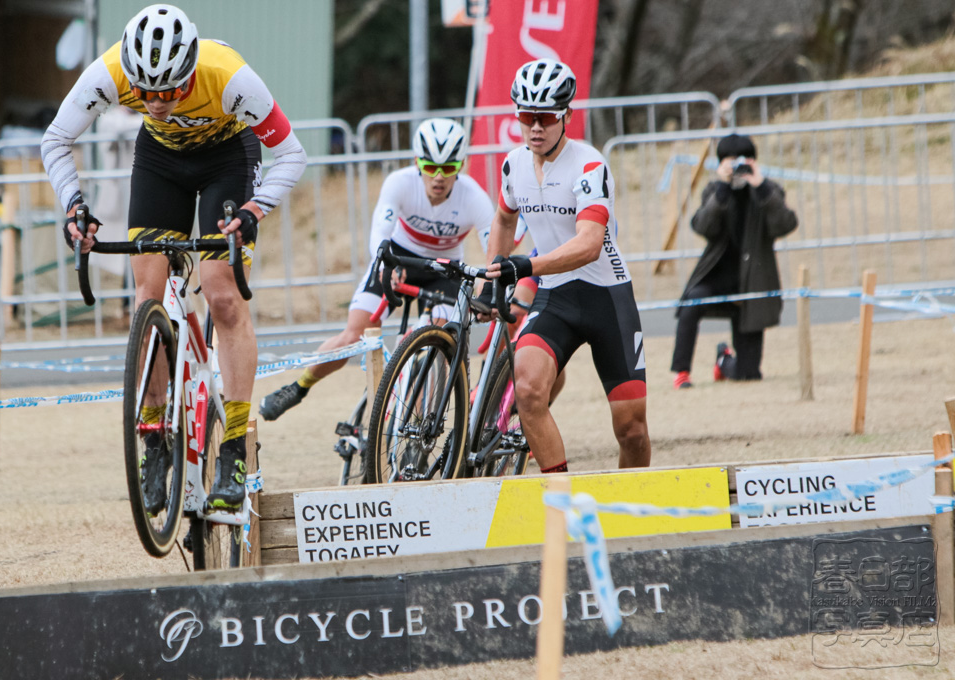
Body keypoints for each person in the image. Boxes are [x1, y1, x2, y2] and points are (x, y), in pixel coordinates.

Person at [41, 4, 307, 511]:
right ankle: (154, 437)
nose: (158, 102)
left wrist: (253, 210)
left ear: (189, 72)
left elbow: (292, 155)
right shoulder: (111, 72)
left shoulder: (229, 78)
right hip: (161, 162)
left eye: (170, 91)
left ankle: (232, 443)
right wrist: (75, 204)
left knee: (222, 291)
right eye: (146, 93)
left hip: (227, 157)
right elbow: (56, 140)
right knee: (148, 294)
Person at [258, 117, 495, 422]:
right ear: (416, 162)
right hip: (398, 257)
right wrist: (385, 265)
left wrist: (488, 288)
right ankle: (299, 386)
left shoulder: (473, 197)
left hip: (442, 269)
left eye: (448, 168)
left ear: (460, 166)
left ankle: (417, 428)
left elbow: (493, 249)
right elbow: (380, 233)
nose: (438, 177)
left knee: (439, 344)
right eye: (430, 166)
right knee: (354, 334)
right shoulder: (400, 182)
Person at [484, 59, 649, 473]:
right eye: (526, 116)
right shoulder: (514, 165)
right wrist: (493, 273)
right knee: (528, 390)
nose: (535, 127)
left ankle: (632, 513)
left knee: (631, 429)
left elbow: (589, 244)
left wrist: (525, 266)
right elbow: (504, 219)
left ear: (566, 116)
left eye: (545, 118)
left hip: (607, 297)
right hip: (555, 297)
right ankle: (561, 501)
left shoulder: (589, 165)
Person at [670, 134, 798, 388]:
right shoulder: (715, 190)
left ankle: (723, 361)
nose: (739, 165)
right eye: (732, 160)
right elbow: (702, 226)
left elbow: (785, 224)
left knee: (749, 374)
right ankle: (681, 372)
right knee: (692, 302)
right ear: (721, 164)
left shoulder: (768, 191)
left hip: (752, 285)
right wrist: (722, 188)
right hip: (716, 279)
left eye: (745, 159)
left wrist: (760, 187)